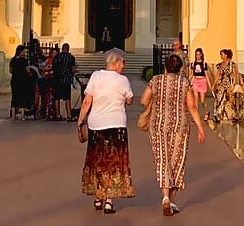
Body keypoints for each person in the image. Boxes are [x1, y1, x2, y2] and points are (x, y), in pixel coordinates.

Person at [141, 53, 205, 216]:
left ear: (166, 66)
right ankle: (172, 199)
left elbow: (143, 100)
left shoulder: (155, 80)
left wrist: (155, 103)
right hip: (179, 125)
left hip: (158, 125)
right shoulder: (184, 83)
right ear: (180, 68)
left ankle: (165, 198)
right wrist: (200, 127)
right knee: (177, 160)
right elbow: (191, 107)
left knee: (162, 159)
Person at [77, 48, 135, 213]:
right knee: (114, 162)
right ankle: (109, 200)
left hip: (97, 124)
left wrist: (80, 120)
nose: (123, 66)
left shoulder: (96, 76)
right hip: (116, 125)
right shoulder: (122, 80)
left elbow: (88, 100)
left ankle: (98, 196)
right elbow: (129, 100)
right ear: (115, 63)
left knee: (98, 161)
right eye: (122, 63)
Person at [209, 48, 244, 125]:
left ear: (226, 55)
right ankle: (218, 114)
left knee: (230, 100)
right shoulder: (219, 65)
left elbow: (235, 74)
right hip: (221, 85)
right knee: (219, 99)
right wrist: (214, 85)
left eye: (222, 54)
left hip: (229, 85)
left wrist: (234, 83)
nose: (221, 56)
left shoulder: (232, 65)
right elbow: (217, 75)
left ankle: (232, 115)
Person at [9, 46, 35, 120]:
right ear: (20, 51)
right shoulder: (24, 60)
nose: (25, 53)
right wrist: (30, 74)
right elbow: (27, 70)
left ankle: (13, 115)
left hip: (14, 80)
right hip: (22, 80)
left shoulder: (13, 60)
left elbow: (10, 70)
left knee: (14, 96)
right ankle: (22, 115)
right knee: (22, 96)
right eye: (24, 51)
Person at [54, 43, 77, 119]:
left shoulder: (57, 56)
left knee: (57, 98)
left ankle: (58, 114)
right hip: (66, 80)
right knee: (67, 98)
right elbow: (73, 69)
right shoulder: (71, 57)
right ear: (68, 49)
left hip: (57, 79)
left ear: (62, 48)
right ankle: (69, 115)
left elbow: (54, 67)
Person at [189, 47, 210, 119]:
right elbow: (192, 74)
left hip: (202, 81)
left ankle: (207, 111)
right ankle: (196, 116)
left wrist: (210, 85)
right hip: (195, 81)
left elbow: (206, 75)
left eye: (199, 54)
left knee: (202, 100)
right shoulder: (193, 64)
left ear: (201, 55)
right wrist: (188, 81)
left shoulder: (204, 64)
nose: (197, 56)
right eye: (196, 54)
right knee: (195, 99)